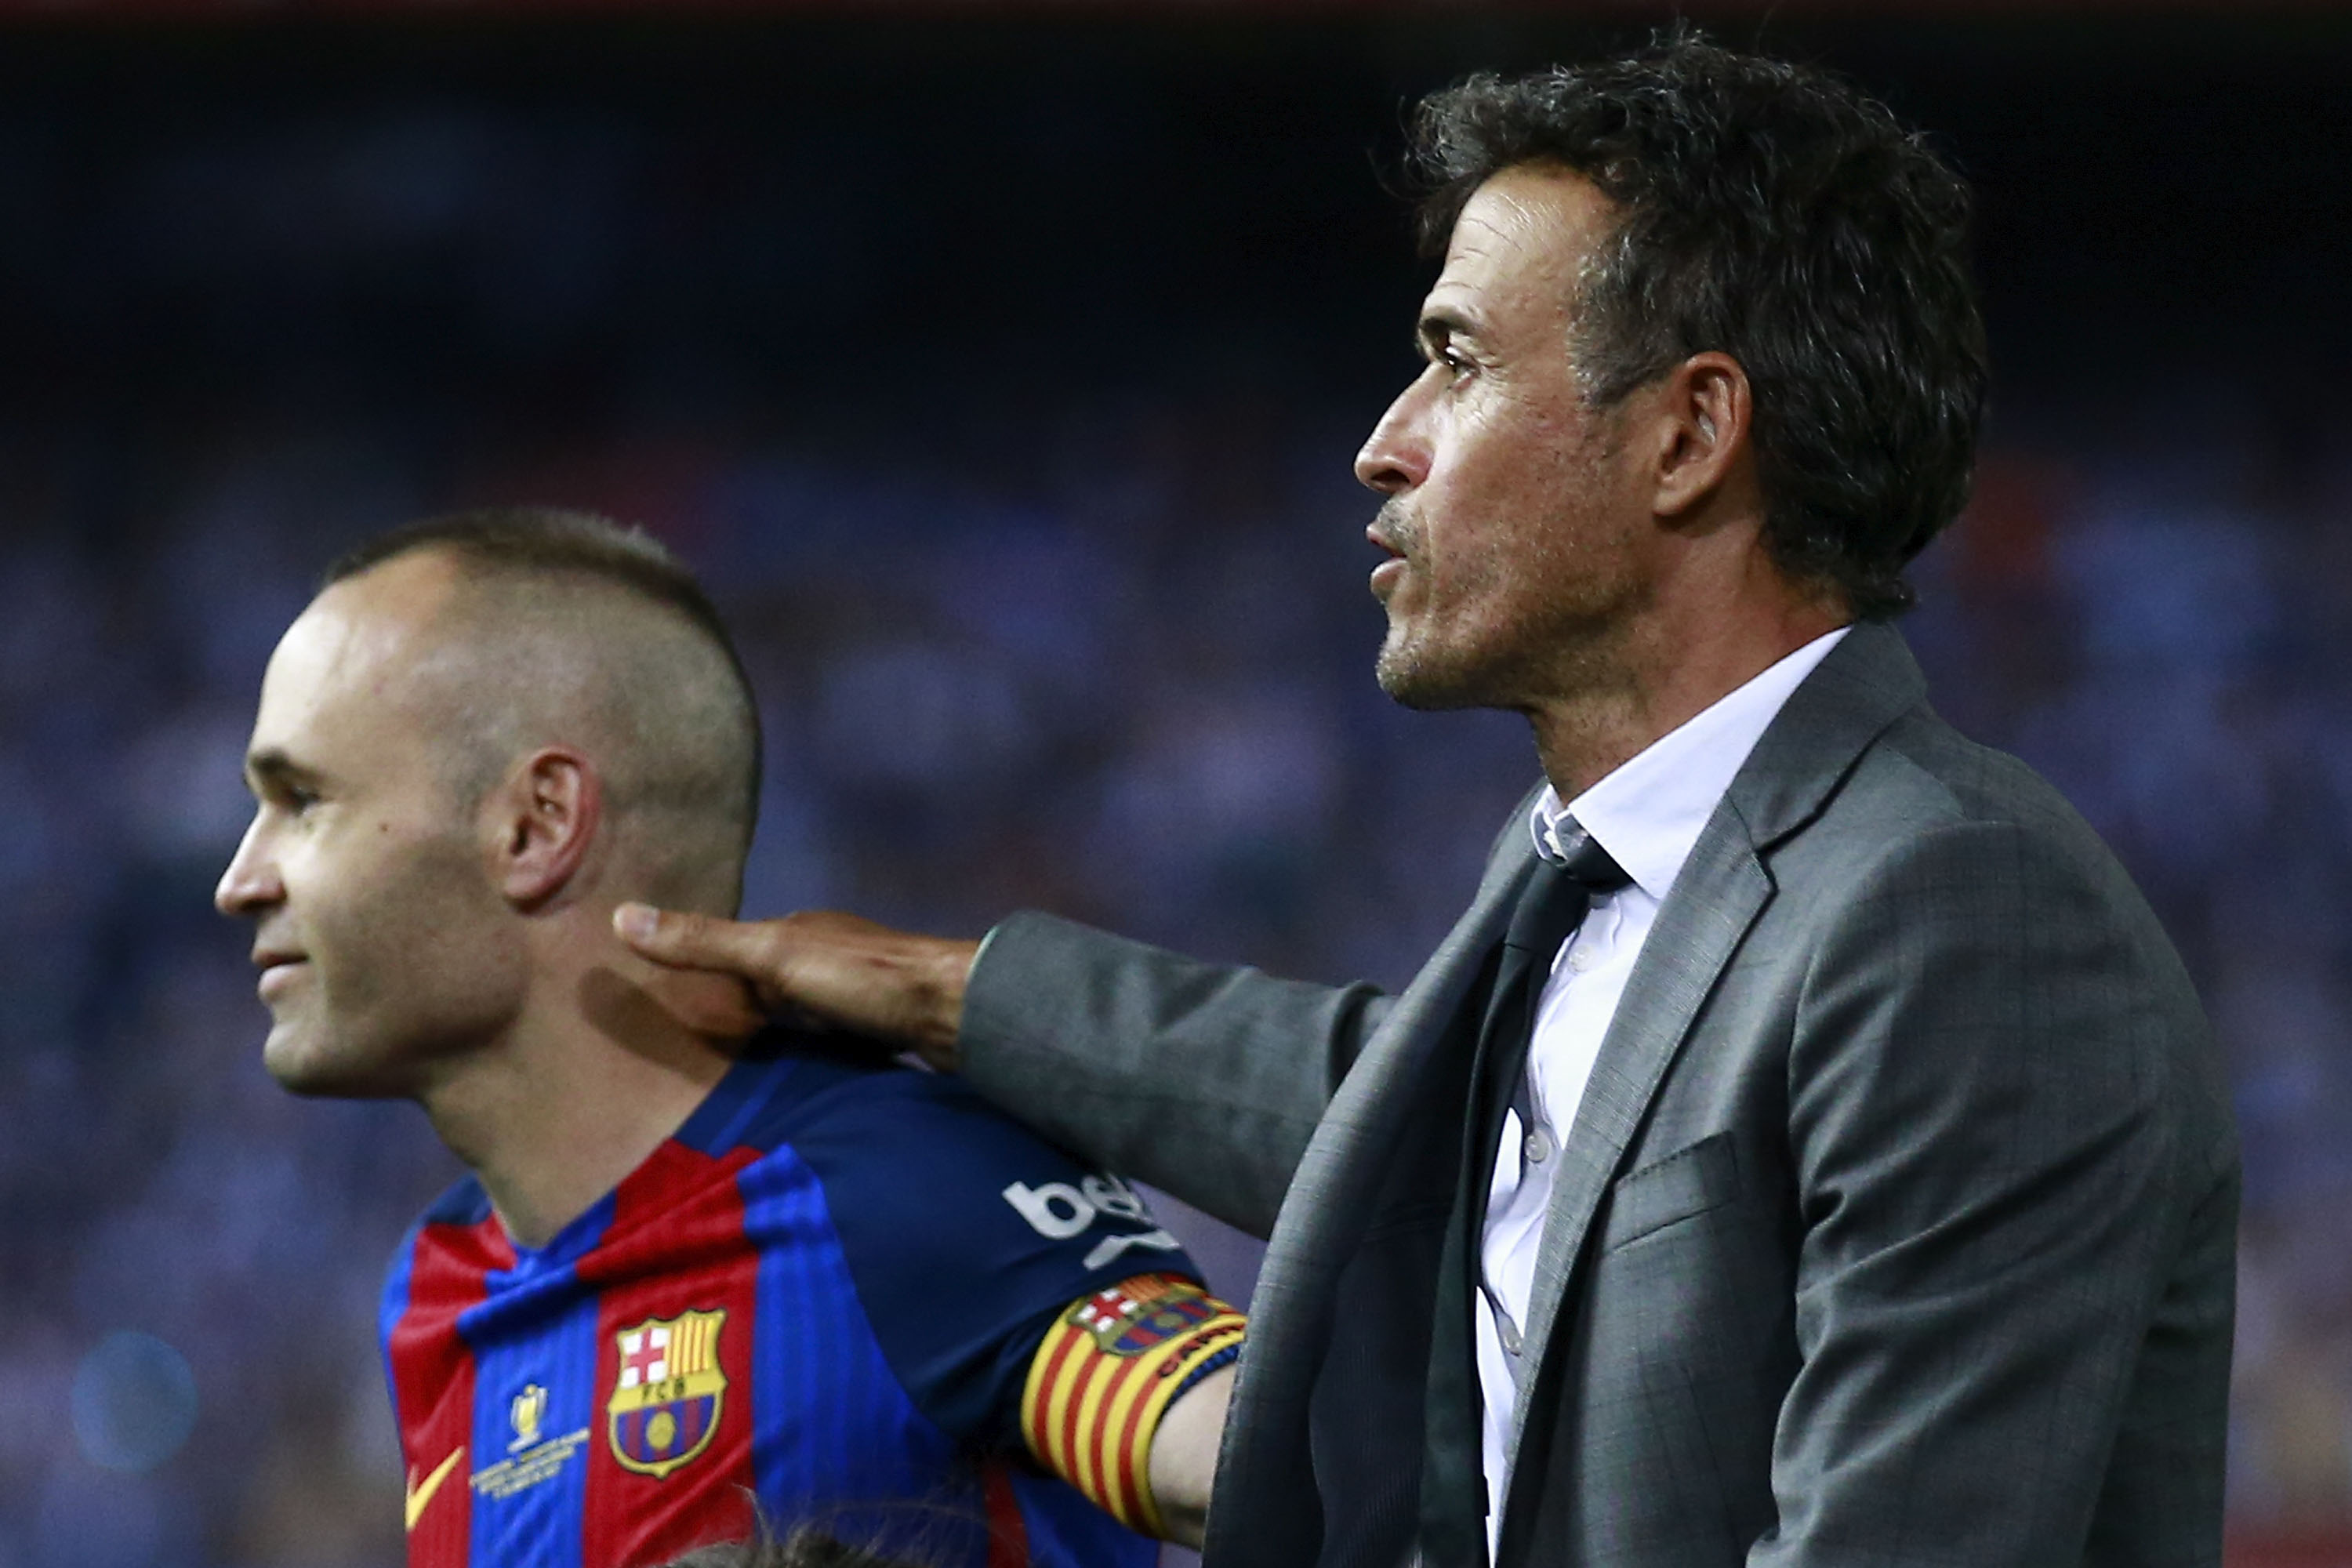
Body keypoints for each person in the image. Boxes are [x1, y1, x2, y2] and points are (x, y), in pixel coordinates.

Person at [614, 35, 2240, 1568]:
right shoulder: (1600, 880)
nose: (1385, 446)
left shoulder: (1961, 912)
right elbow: (1408, 1118)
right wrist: (939, 992)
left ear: (1689, 434)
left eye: (1455, 362)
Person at [212, 508, 1242, 1568]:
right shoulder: (435, 1291)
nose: (240, 880)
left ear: (535, 825)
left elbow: (1309, 1478)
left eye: (301, 801)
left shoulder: (903, 1184)